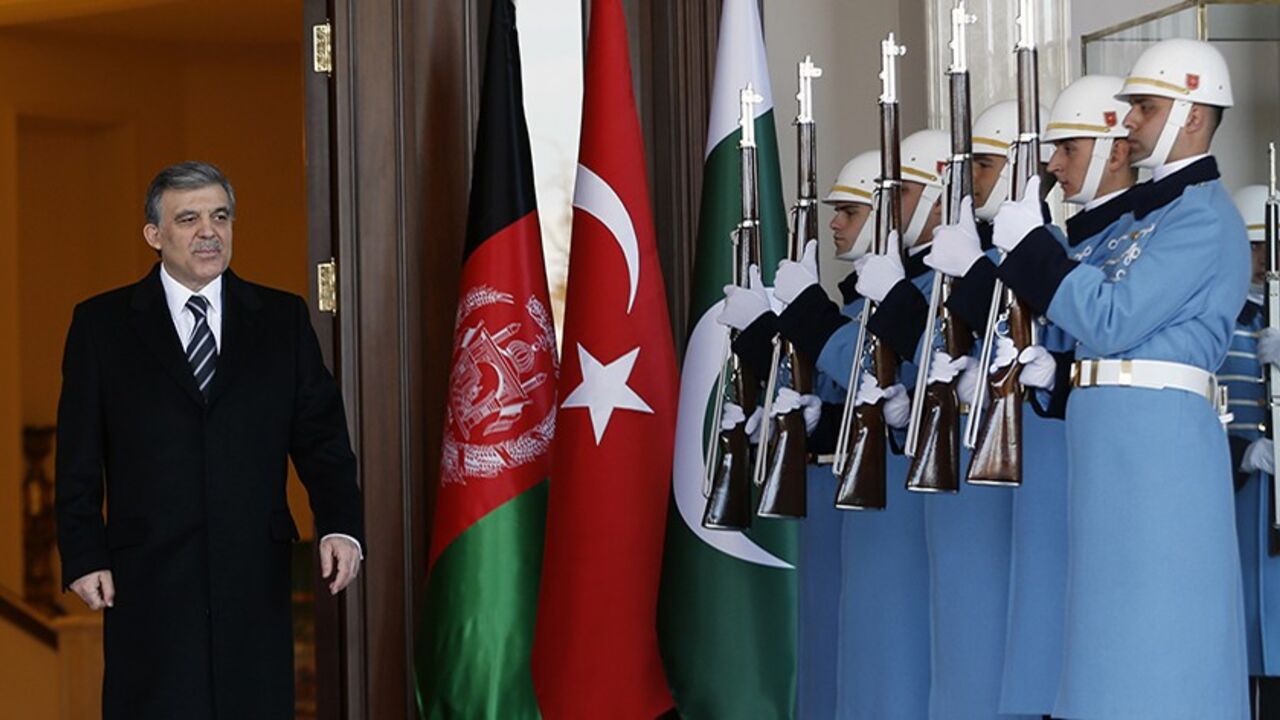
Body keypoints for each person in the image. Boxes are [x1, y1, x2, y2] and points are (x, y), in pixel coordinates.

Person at [991, 39, 1251, 718]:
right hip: (1113, 438)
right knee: (1105, 642)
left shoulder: (1202, 214)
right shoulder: (1157, 214)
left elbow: (1114, 318)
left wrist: (1033, 253)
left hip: (1157, 443)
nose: (1129, 119)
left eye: (1145, 105)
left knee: (1155, 637)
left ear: (1193, 116)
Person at [55, 161, 365, 719]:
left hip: (253, 575)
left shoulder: (281, 319)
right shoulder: (101, 326)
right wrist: (82, 552)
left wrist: (340, 524)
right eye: (189, 218)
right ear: (155, 235)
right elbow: (77, 453)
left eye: (220, 216)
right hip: (146, 578)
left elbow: (322, 439)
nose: (208, 231)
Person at [1225, 184, 1280, 716]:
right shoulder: (1216, 322)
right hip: (1234, 502)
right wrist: (1242, 453)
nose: (1264, 262)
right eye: (1256, 248)